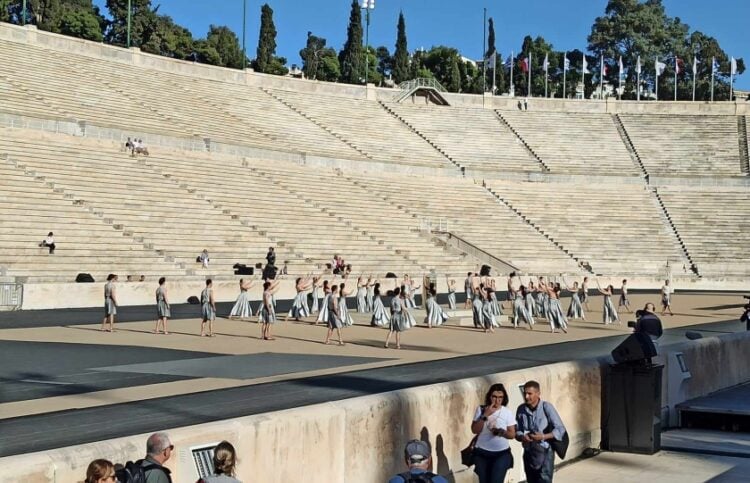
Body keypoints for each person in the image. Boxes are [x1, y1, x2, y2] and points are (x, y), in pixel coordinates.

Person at [516, 381, 566, 483]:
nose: (526, 396)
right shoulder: (521, 409)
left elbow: (560, 429)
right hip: (529, 451)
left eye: (530, 394)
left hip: (545, 450)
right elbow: (517, 430)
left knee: (544, 479)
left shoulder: (546, 407)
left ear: (538, 394)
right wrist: (522, 437)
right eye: (525, 393)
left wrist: (543, 436)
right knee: (531, 479)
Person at [470, 383, 517, 483]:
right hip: (482, 453)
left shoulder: (507, 412)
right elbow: (475, 430)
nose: (497, 400)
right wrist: (485, 415)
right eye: (494, 397)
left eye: (500, 397)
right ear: (490, 397)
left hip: (501, 454)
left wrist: (502, 432)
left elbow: (512, 434)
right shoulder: (481, 410)